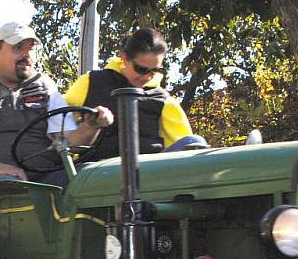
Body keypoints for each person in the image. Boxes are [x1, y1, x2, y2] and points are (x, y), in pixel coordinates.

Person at [0, 22, 113, 186]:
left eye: (31, 48)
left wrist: (91, 126)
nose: (26, 55)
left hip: (45, 179)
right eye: (17, 48)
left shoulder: (46, 88)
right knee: (7, 184)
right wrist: (1, 169)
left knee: (96, 178)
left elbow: (69, 143)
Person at [65, 28, 205, 163]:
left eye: (154, 70)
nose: (147, 77)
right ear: (125, 58)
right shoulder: (92, 82)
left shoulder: (163, 101)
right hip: (100, 172)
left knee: (194, 142)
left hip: (147, 173)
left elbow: (184, 150)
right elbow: (58, 124)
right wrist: (90, 125)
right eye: (141, 69)